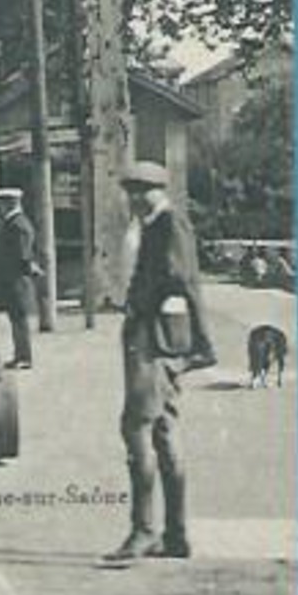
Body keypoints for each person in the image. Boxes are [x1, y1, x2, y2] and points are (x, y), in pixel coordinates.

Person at [105, 161, 215, 561]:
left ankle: (144, 531)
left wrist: (137, 308)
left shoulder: (168, 224)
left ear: (157, 190)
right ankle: (176, 535)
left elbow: (177, 278)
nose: (133, 200)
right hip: (164, 337)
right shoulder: (157, 224)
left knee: (136, 427)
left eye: (140, 192)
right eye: (130, 192)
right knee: (165, 431)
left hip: (154, 339)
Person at [0, 187, 40, 370]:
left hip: (17, 280)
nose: (1, 207)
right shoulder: (13, 222)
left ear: (11, 203)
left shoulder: (18, 224)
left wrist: (30, 267)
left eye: (3, 203)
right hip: (14, 279)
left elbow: (23, 254)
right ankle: (19, 355)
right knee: (16, 319)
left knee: (19, 320)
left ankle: (25, 357)